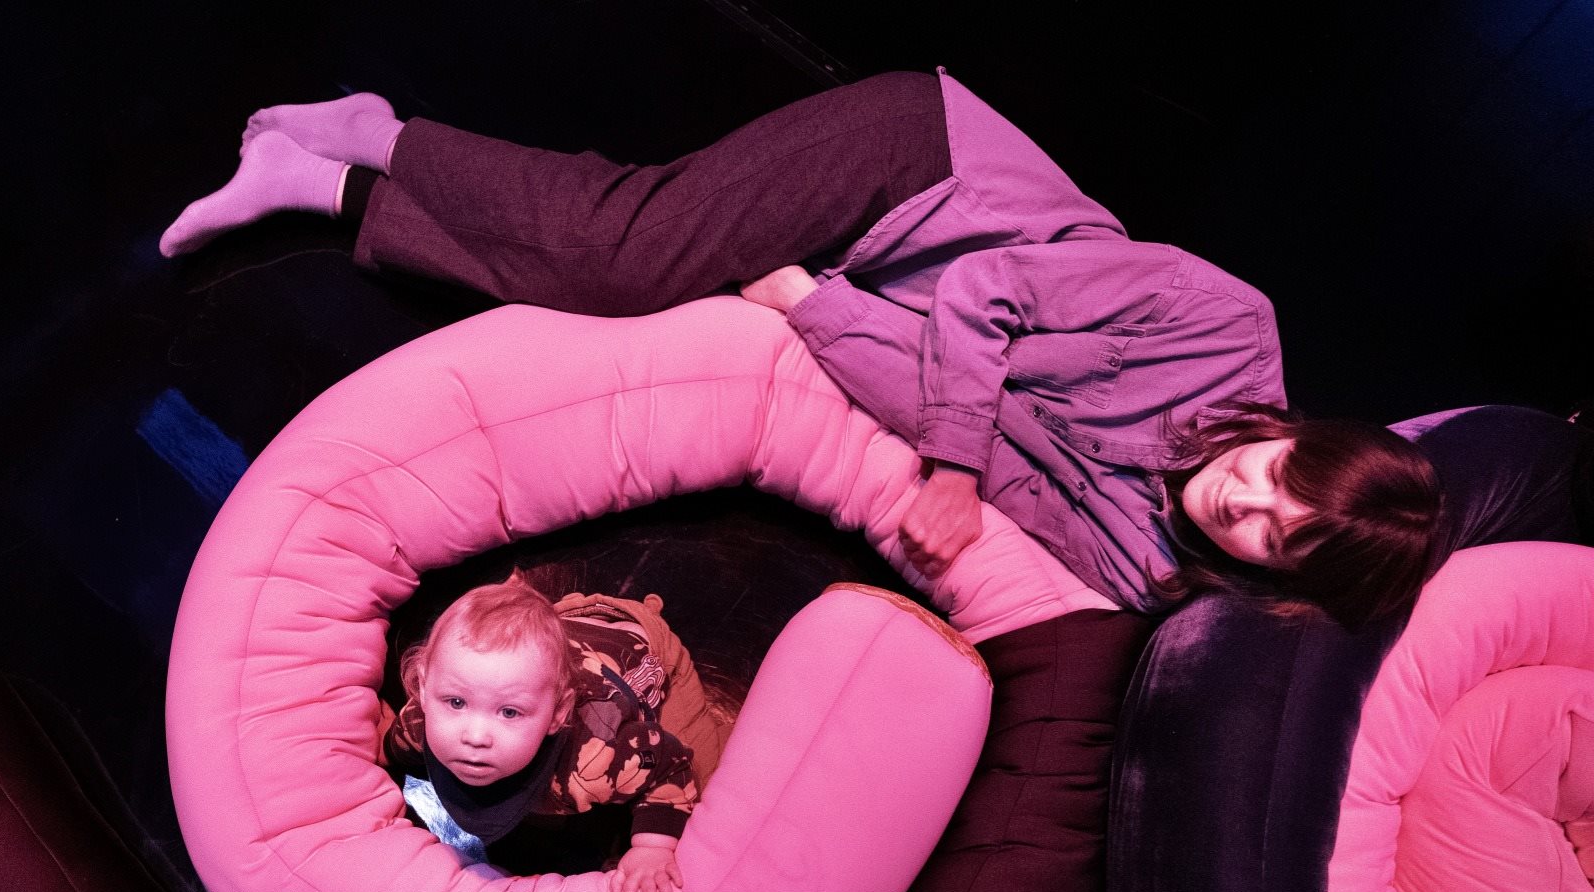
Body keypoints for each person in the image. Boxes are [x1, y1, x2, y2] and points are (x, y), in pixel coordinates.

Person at [158, 70, 1441, 626]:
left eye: (1271, 536)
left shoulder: (1151, 571)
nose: (1239, 502)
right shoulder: (1225, 324)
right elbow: (986, 292)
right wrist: (951, 462)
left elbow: (1009, 458)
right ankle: (374, 135)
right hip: (923, 170)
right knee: (627, 250)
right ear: (1297, 433)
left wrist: (816, 308)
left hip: (869, 282)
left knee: (622, 279)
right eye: (1275, 476)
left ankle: (323, 181)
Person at [383, 580, 721, 892]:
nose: (475, 736)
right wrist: (381, 751)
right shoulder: (419, 722)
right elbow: (397, 743)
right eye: (456, 702)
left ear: (558, 715)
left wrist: (652, 847)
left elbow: (669, 764)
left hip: (640, 647)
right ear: (424, 689)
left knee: (707, 774)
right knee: (529, 650)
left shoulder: (594, 761)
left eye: (509, 712)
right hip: (564, 628)